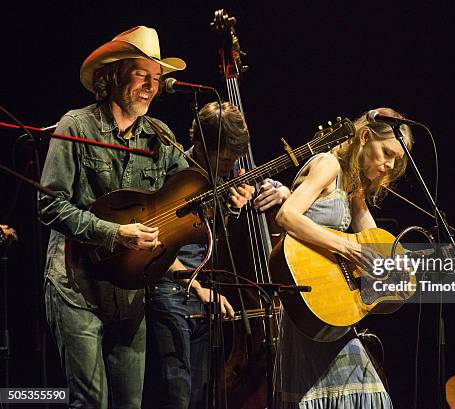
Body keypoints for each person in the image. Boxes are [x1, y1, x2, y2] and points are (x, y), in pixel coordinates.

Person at [38, 26, 250, 408]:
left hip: (130, 292)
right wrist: (115, 233)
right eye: (142, 75)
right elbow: (50, 206)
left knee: (130, 403)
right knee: (92, 401)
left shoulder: (159, 137)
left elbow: (188, 205)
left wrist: (228, 201)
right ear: (113, 76)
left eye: (157, 79)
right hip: (76, 284)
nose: (151, 86)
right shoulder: (76, 127)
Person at [143, 101, 291, 409]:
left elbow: (266, 184)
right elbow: (155, 241)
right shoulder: (174, 172)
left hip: (206, 292)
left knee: (200, 395)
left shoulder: (229, 174)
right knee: (178, 392)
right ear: (200, 144)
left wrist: (280, 191)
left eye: (235, 158)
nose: (230, 165)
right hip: (171, 286)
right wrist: (196, 287)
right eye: (224, 158)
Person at [273, 107, 412, 408]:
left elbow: (374, 243)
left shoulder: (353, 186)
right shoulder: (327, 164)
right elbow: (287, 215)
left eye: (396, 161)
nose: (388, 165)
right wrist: (345, 248)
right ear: (364, 136)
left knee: (365, 387)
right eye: (386, 153)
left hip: (331, 308)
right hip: (309, 301)